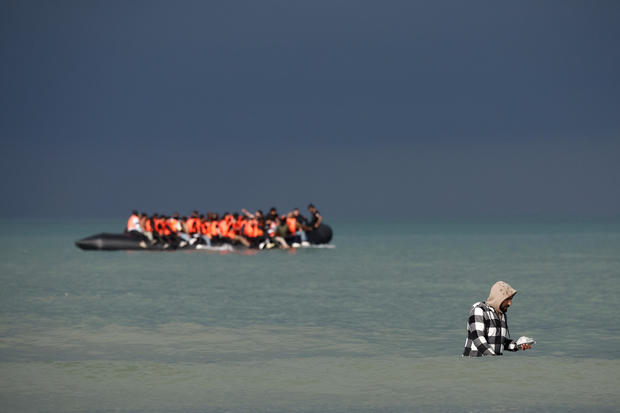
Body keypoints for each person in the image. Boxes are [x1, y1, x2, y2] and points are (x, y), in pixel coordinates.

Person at [463, 281, 532, 357]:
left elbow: (498, 341)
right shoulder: (479, 310)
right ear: (499, 299)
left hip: (492, 365)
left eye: (511, 299)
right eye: (507, 299)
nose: (510, 303)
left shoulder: (501, 314)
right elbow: (478, 339)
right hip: (474, 364)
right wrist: (494, 359)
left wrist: (517, 345)